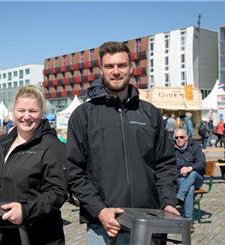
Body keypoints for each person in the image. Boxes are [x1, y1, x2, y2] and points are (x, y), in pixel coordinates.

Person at [66, 41, 179, 245]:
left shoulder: (150, 113)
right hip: (103, 226)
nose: (116, 71)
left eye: (121, 65)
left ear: (131, 68)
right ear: (101, 70)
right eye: (109, 66)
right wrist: (99, 210)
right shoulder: (83, 115)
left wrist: (168, 202)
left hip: (149, 221)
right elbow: (75, 172)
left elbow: (165, 164)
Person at [0, 85, 67, 245]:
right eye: (21, 110)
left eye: (33, 111)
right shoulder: (0, 144)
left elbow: (57, 192)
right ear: (13, 112)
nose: (26, 116)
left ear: (42, 113)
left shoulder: (52, 146)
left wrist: (25, 210)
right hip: (0, 235)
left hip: (38, 236)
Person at [173, 128, 205, 219]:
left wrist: (189, 168)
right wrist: (180, 172)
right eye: (176, 137)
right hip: (181, 178)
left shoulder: (195, 146)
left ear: (186, 137)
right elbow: (170, 167)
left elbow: (202, 163)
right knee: (190, 189)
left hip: (197, 178)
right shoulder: (172, 149)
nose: (179, 139)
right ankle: (189, 220)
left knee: (193, 174)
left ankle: (179, 196)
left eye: (181, 137)